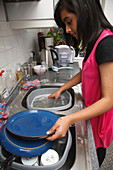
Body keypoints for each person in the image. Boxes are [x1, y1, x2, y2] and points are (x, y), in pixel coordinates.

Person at [46, 0, 113, 167]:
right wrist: (62, 88)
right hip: (91, 114)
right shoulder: (95, 40)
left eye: (69, 22)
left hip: (100, 123)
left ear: (84, 10)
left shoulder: (106, 43)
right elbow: (88, 70)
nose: (68, 30)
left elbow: (109, 99)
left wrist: (69, 119)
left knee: (95, 158)